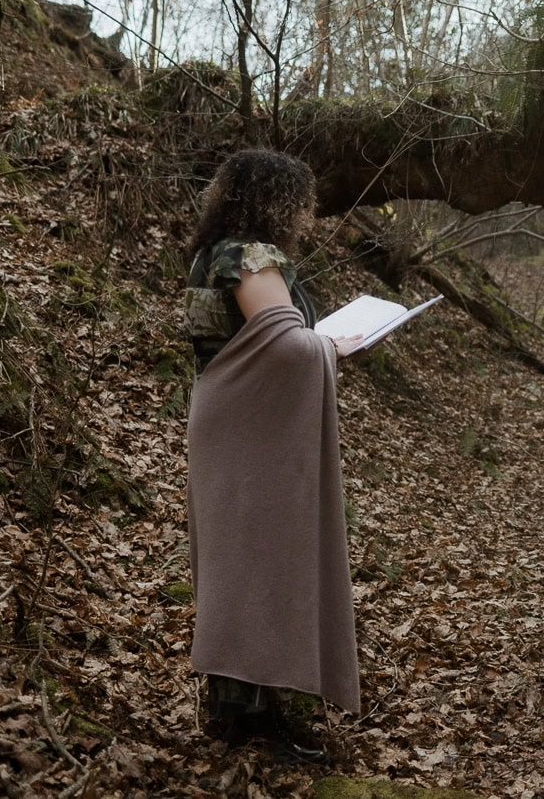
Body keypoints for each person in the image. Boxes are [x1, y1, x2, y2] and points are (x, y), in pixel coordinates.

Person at [184, 150, 365, 762]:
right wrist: (331, 347)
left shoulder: (214, 253)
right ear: (279, 202)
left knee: (241, 560)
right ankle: (252, 719)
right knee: (257, 562)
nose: (307, 218)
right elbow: (287, 350)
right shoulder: (251, 256)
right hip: (250, 429)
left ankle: (241, 711)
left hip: (227, 420)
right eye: (301, 204)